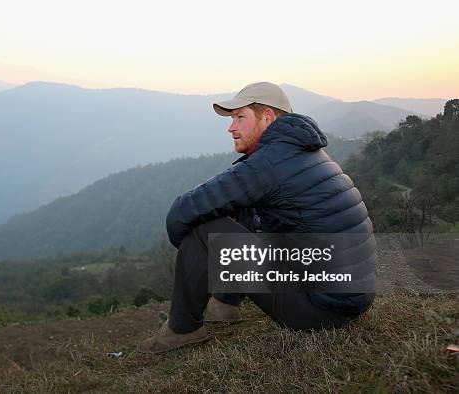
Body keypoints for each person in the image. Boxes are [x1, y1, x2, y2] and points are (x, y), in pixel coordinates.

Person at [139, 82, 375, 354]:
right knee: (242, 211)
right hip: (348, 297)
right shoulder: (305, 152)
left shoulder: (269, 163)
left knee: (202, 227)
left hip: (321, 310)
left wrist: (199, 252)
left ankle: (182, 331)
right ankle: (224, 305)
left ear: (267, 117)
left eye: (240, 117)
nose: (231, 128)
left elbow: (181, 212)